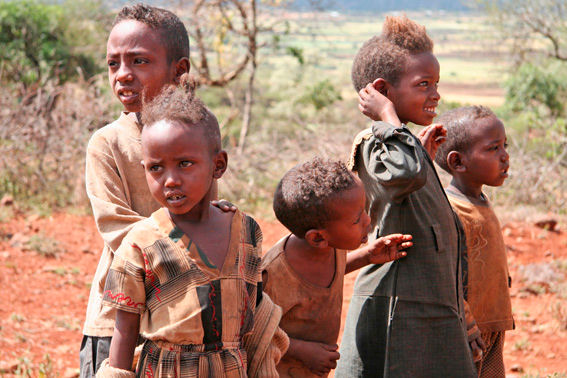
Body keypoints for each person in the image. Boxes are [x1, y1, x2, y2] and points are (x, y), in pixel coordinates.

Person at [80, 4, 234, 376]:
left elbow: (199, 208)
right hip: (118, 318)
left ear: (179, 71)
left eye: (139, 62)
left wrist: (215, 219)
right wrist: (199, 236)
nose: (123, 75)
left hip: (184, 320)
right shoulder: (108, 143)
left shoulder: (196, 134)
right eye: (113, 64)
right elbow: (119, 231)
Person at [96, 84, 288, 377]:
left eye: (184, 164)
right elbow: (124, 329)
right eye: (156, 168)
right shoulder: (141, 243)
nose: (170, 180)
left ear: (218, 165)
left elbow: (253, 321)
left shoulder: (246, 232)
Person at [335, 15, 476, 377]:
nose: (435, 94)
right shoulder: (377, 143)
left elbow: (408, 184)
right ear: (382, 89)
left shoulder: (403, 144)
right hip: (399, 308)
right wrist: (386, 116)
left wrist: (419, 151)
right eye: (423, 84)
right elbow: (403, 174)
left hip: (425, 303)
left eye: (436, 83)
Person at [262, 157, 413, 377]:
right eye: (356, 220)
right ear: (317, 238)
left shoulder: (331, 245)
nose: (367, 220)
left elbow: (330, 272)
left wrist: (367, 256)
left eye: (364, 210)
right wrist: (302, 351)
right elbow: (254, 331)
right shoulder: (276, 275)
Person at [435, 105, 514, 378]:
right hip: (468, 330)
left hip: (492, 322)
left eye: (505, 145)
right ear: (458, 162)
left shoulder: (479, 200)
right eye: (493, 149)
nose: (505, 156)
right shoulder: (451, 210)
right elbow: (445, 274)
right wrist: (467, 325)